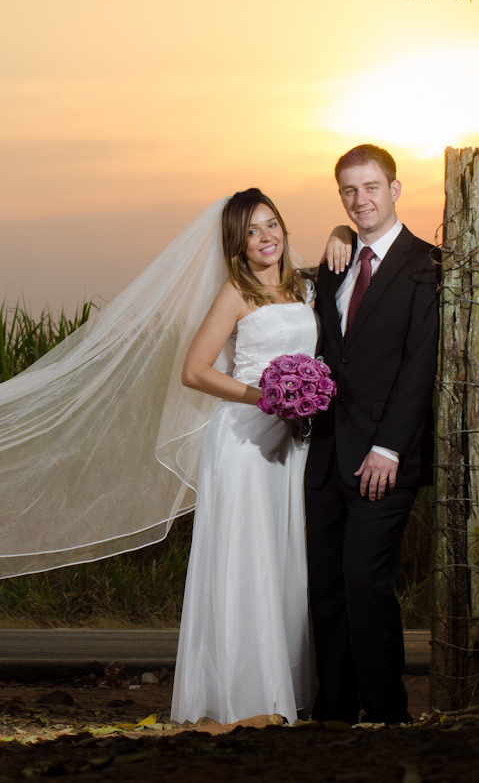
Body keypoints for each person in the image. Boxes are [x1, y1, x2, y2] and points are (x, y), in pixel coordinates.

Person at [170, 188, 317, 726]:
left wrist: (340, 233)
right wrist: (264, 397)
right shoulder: (236, 292)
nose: (265, 238)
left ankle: (284, 690)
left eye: (271, 224)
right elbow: (194, 370)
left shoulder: (303, 287)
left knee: (283, 557)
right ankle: (242, 696)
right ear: (237, 243)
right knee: (246, 561)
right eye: (251, 232)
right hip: (244, 441)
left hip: (291, 441)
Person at [306, 144, 439, 725]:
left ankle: (387, 713)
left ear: (395, 189)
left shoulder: (427, 265)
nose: (360, 200)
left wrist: (390, 447)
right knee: (327, 585)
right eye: (349, 191)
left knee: (366, 580)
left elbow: (419, 364)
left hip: (383, 458)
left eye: (371, 188)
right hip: (326, 454)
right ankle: (334, 712)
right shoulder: (334, 263)